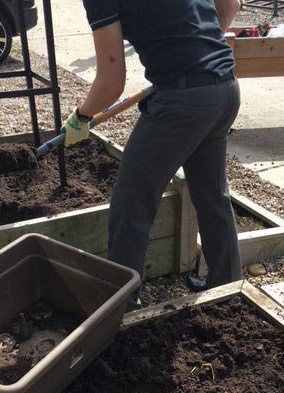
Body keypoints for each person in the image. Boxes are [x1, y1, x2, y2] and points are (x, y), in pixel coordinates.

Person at [63, 0, 242, 308]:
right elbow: (232, 4)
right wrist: (196, 57)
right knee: (212, 194)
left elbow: (110, 82)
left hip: (183, 102)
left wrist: (80, 117)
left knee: (131, 203)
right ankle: (227, 289)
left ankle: (121, 306)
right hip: (224, 87)